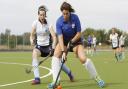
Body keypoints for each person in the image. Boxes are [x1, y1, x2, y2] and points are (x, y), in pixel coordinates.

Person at [48, 2, 105, 89]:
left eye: (67, 13)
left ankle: (97, 78)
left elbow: (79, 33)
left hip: (76, 42)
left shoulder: (75, 18)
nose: (65, 15)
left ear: (70, 12)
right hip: (64, 42)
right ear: (61, 12)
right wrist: (63, 51)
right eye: (64, 14)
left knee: (83, 59)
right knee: (55, 57)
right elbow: (60, 37)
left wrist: (72, 42)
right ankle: (56, 81)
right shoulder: (59, 22)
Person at [30, 5, 74, 85]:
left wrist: (53, 47)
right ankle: (37, 78)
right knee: (34, 53)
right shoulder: (35, 23)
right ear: (38, 15)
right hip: (39, 47)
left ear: (45, 15)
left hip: (48, 47)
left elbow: (54, 36)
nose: (42, 16)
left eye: (43, 15)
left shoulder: (49, 23)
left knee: (57, 61)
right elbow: (32, 34)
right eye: (40, 15)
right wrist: (31, 40)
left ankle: (69, 73)